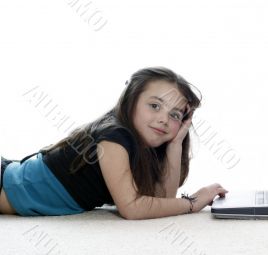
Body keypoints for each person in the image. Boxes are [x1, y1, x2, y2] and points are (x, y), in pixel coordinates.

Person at [0, 66, 229, 219]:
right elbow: (132, 208)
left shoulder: (143, 146)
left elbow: (163, 201)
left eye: (175, 115)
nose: (164, 119)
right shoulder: (114, 137)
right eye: (155, 106)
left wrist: (176, 143)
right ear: (131, 101)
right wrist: (193, 202)